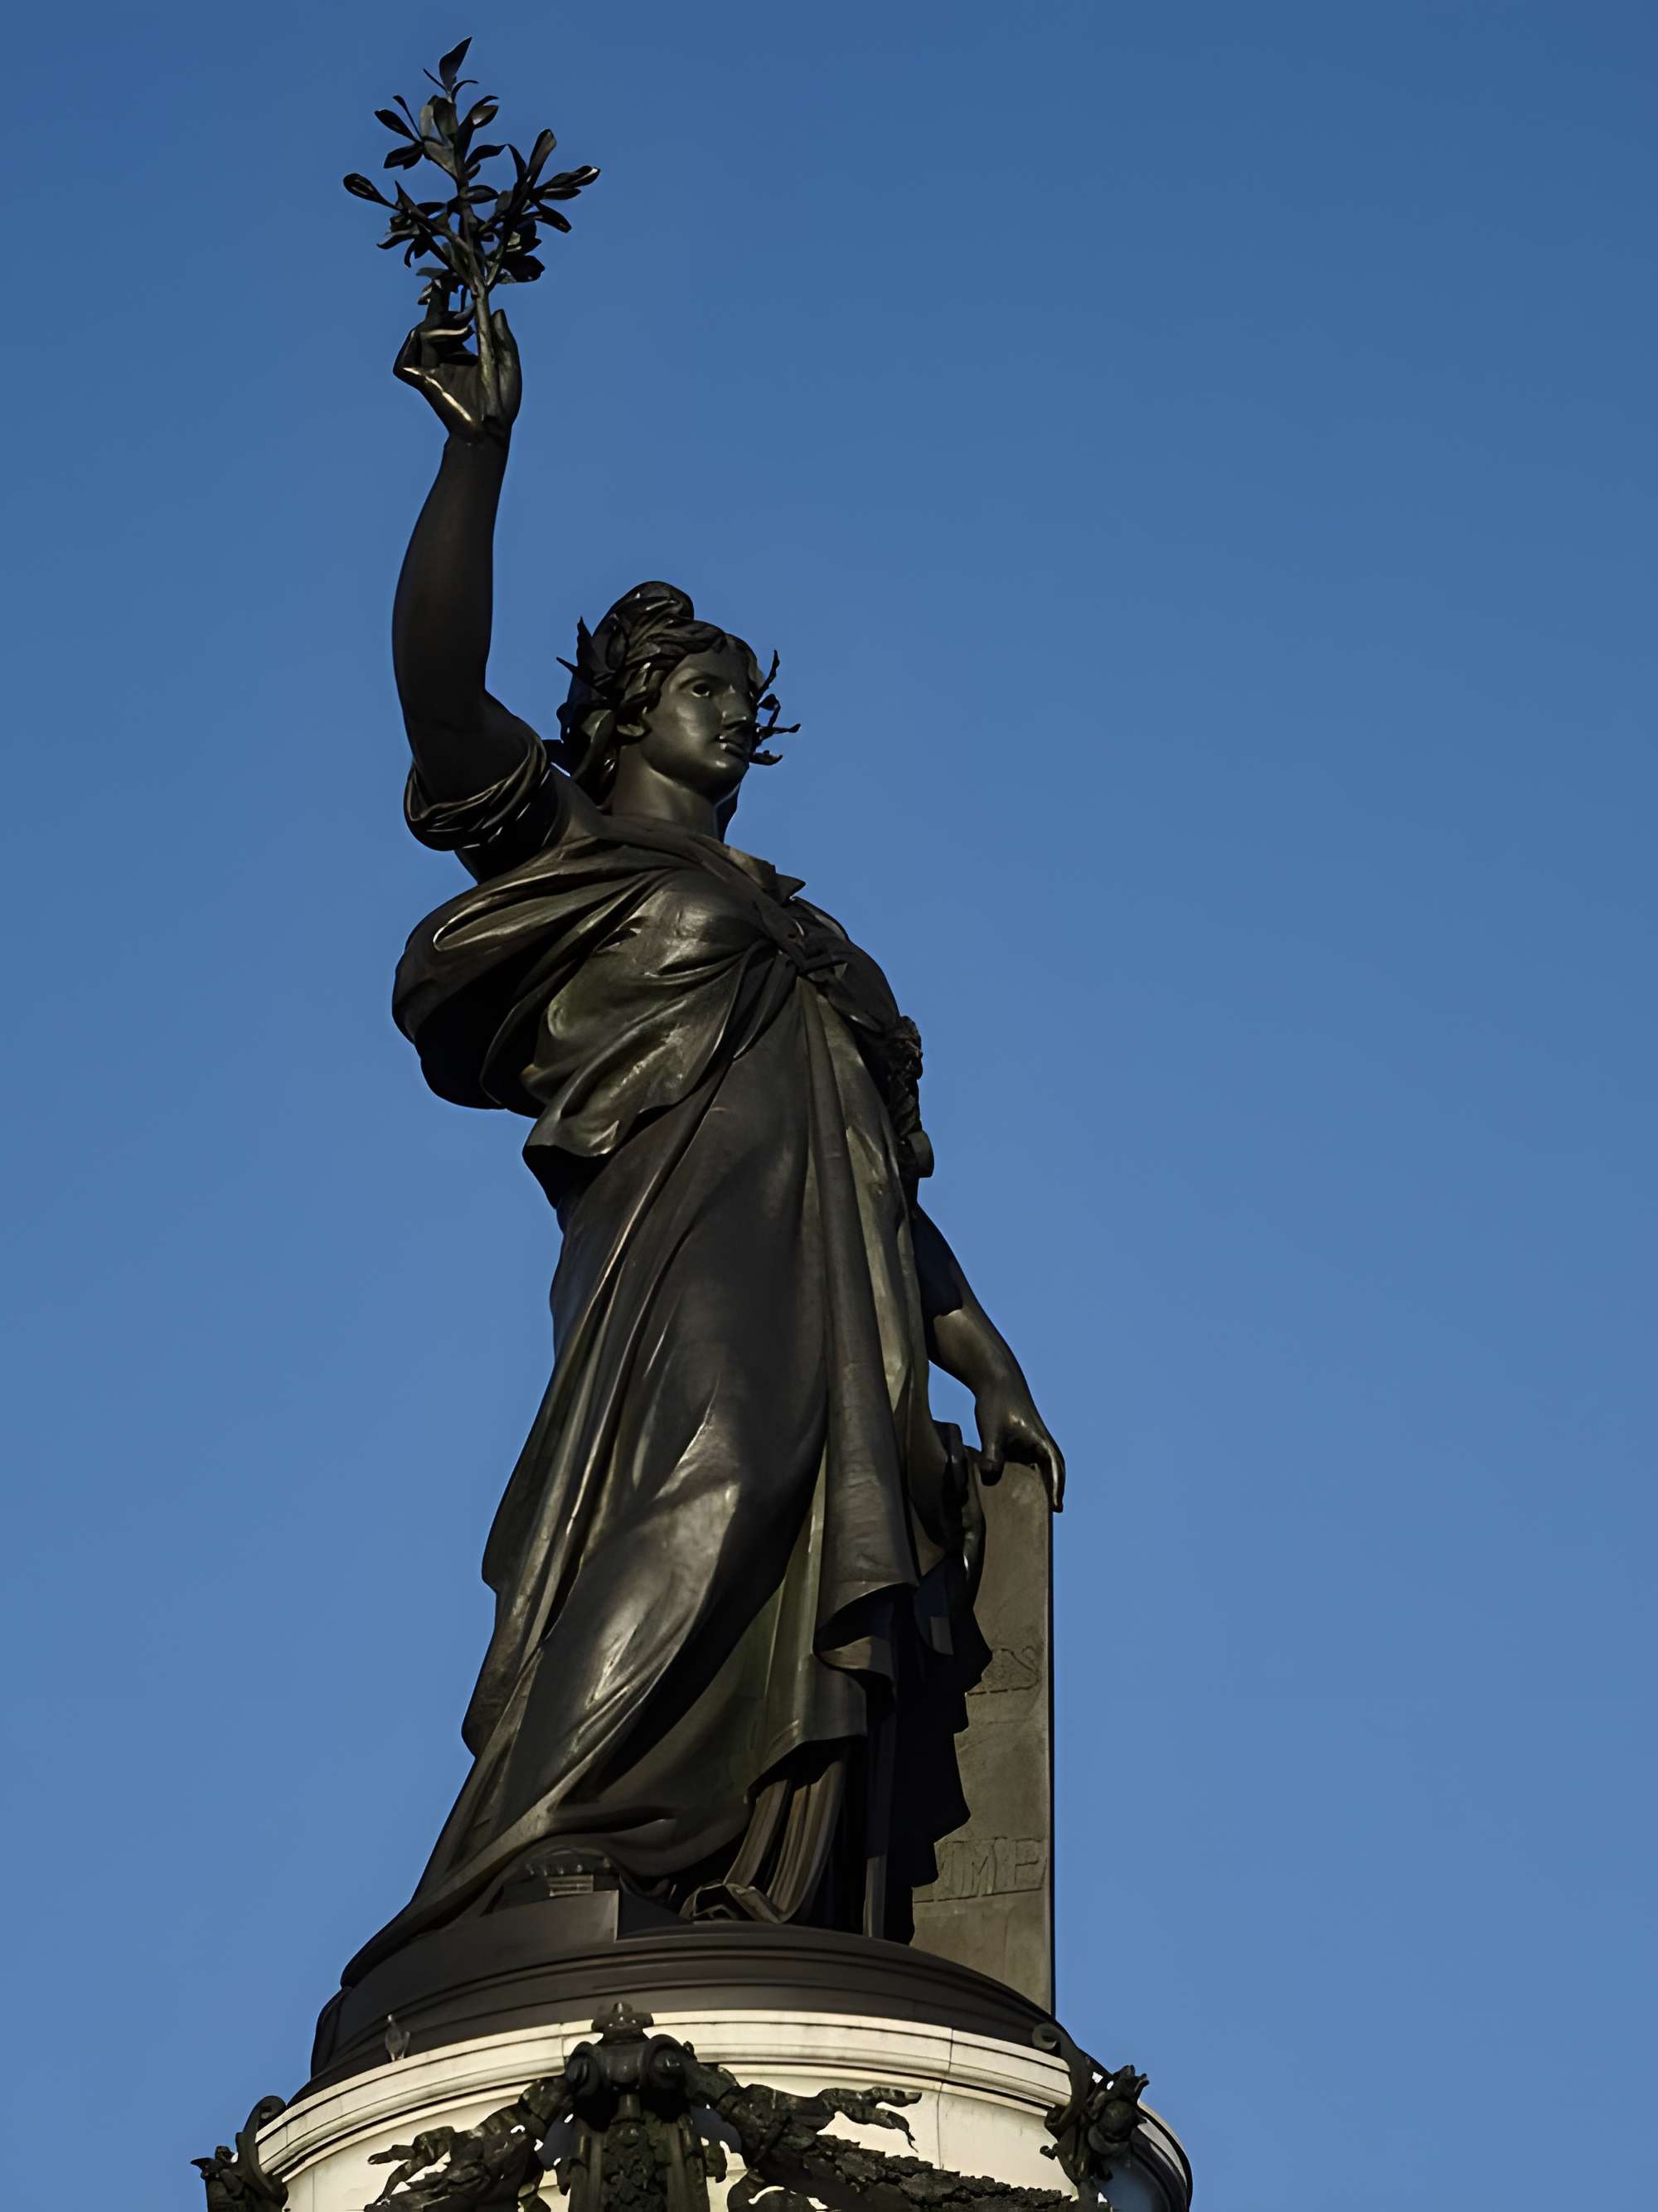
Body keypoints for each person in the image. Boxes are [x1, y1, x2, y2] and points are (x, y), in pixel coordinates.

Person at [345, 307, 1064, 1982]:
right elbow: (440, 696)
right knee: (707, 1481)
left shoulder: (831, 955)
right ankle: (557, 1830)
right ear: (629, 710)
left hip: (846, 1304)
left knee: (814, 1517)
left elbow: (889, 1192)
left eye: (747, 693)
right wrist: (476, 454)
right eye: (703, 688)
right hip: (678, 1266)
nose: (734, 714)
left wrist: (986, 1358)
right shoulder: (579, 853)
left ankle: (760, 1869)